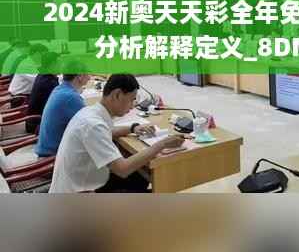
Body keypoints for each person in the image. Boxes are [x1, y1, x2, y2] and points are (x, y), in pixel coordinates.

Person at [49, 74, 184, 193]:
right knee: (142, 183)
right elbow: (122, 169)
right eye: (132, 99)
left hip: (80, 181)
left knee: (139, 178)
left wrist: (133, 128)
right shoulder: (93, 125)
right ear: (117, 95)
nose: (132, 105)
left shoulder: (91, 113)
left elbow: (107, 132)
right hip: (78, 195)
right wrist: (162, 144)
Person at [35, 62, 90, 157]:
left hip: (46, 147)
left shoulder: (59, 88)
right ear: (80, 76)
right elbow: (91, 126)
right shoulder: (71, 97)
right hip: (53, 156)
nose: (89, 78)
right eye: (88, 73)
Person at [26, 52, 60, 134]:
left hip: (33, 121)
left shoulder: (43, 75)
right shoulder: (49, 82)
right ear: (52, 65)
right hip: (37, 124)